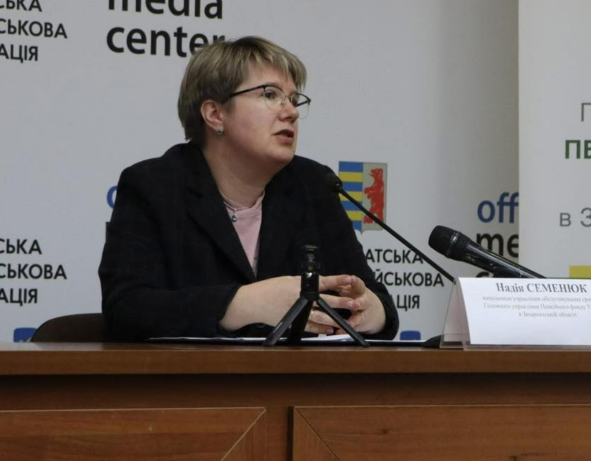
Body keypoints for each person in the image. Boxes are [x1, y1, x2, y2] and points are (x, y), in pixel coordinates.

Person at [99, 36, 398, 341]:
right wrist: (243, 304)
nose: (291, 112)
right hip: (192, 373)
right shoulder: (155, 186)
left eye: (294, 99)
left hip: (299, 372)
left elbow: (375, 299)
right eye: (270, 95)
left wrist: (372, 311)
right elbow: (126, 309)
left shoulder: (313, 185)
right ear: (215, 114)